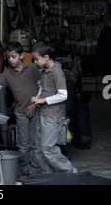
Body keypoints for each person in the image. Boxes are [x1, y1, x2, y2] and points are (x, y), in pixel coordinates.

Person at [0, 41, 42, 180]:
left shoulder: (32, 68)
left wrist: (35, 104)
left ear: (21, 56)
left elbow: (42, 87)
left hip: (37, 110)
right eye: (9, 57)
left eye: (13, 56)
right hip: (21, 112)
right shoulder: (7, 74)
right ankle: (25, 171)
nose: (11, 60)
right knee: (23, 144)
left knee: (35, 142)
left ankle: (35, 171)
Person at [31, 41, 77, 174]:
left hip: (52, 117)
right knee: (39, 150)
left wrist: (43, 99)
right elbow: (43, 87)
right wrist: (38, 97)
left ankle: (68, 170)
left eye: (36, 59)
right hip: (42, 113)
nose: (35, 62)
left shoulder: (57, 73)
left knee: (47, 148)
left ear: (46, 57)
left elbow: (63, 95)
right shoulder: (44, 72)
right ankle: (51, 175)